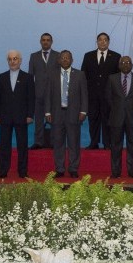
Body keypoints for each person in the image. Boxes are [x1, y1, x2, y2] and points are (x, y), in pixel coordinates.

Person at [45, 50, 87, 179]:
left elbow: (84, 95)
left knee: (74, 143)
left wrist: (83, 111)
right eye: (62, 58)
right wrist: (47, 112)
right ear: (58, 60)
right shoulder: (52, 75)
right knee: (58, 143)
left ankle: (73, 169)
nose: (65, 60)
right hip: (57, 113)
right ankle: (60, 169)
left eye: (67, 58)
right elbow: (48, 95)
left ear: (72, 60)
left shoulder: (80, 75)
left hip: (74, 114)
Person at [0, 50, 35, 179]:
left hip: (21, 117)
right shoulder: (1, 77)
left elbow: (31, 98)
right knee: (4, 145)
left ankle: (22, 171)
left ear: (20, 60)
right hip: (5, 117)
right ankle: (3, 171)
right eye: (10, 59)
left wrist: (30, 115)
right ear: (7, 61)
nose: (13, 61)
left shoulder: (27, 77)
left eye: (15, 59)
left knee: (22, 146)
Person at [106, 56, 133, 178]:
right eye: (123, 62)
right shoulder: (112, 79)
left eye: (128, 62)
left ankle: (132, 172)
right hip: (116, 118)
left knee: (132, 146)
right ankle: (115, 172)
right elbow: (108, 97)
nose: (125, 64)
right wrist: (117, 109)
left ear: (132, 65)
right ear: (119, 65)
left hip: (132, 118)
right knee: (115, 146)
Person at [80, 32, 121, 150]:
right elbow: (84, 75)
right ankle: (94, 142)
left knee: (108, 119)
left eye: (105, 40)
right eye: (100, 40)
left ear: (108, 42)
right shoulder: (88, 56)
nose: (102, 42)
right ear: (97, 42)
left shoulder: (116, 56)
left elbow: (118, 77)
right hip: (92, 95)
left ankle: (108, 143)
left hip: (109, 96)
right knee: (93, 119)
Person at [28, 33, 59, 149]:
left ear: (52, 42)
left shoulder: (58, 55)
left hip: (54, 93)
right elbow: (30, 76)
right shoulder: (34, 56)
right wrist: (31, 93)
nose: (46, 42)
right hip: (38, 93)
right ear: (40, 41)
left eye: (48, 40)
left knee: (55, 119)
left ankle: (54, 142)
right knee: (39, 119)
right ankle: (38, 142)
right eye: (43, 40)